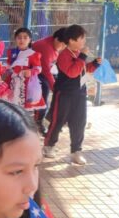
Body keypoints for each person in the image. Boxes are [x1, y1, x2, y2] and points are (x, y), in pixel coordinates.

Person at [43, 25, 103, 166]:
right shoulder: (64, 54)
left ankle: (76, 151)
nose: (84, 40)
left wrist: (94, 64)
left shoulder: (77, 54)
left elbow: (82, 69)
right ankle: (49, 146)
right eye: (81, 38)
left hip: (80, 94)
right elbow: (72, 72)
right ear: (71, 40)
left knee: (79, 122)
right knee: (58, 121)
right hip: (64, 94)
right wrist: (83, 56)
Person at [32, 27, 67, 130]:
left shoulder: (54, 44)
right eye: (63, 44)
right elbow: (46, 71)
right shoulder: (46, 47)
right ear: (56, 39)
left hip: (45, 72)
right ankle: (38, 122)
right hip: (37, 74)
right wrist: (55, 88)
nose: (63, 47)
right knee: (43, 98)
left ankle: (50, 118)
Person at [6, 27, 46, 112]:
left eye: (25, 37)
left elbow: (38, 68)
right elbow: (8, 66)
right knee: (11, 108)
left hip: (26, 85)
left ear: (30, 40)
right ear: (15, 39)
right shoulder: (11, 52)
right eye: (19, 37)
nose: (22, 40)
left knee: (24, 111)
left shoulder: (33, 54)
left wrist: (31, 72)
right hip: (12, 83)